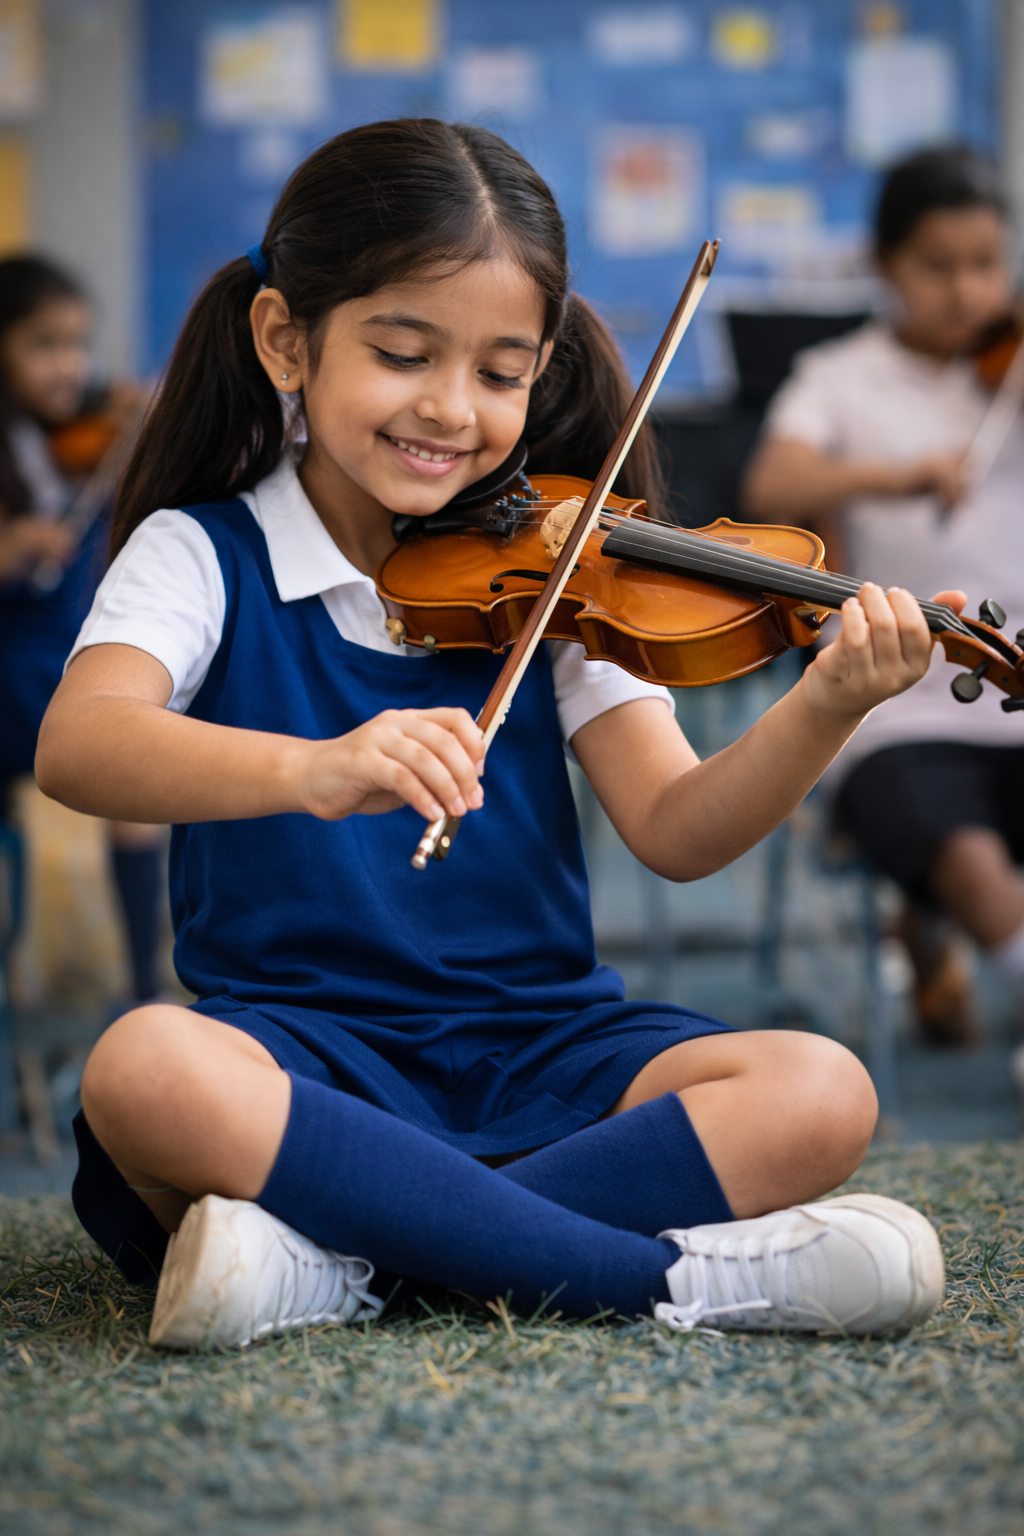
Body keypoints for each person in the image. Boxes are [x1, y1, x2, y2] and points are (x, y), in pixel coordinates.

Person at [37, 121, 945, 1350]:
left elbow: (677, 830)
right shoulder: (203, 553)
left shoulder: (560, 573)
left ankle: (333, 1264)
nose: (451, 410)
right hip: (305, 1056)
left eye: (500, 374)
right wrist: (315, 768)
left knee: (822, 1088)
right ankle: (667, 1281)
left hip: (541, 1049)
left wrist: (824, 705)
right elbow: (83, 744)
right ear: (284, 341)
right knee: (145, 1067)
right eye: (404, 354)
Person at [744, 145, 1024, 1052]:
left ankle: (928, 929)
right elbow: (773, 483)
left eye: (986, 265)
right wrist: (896, 475)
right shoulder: (839, 377)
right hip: (900, 702)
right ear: (885, 265)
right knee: (963, 847)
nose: (966, 291)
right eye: (936, 267)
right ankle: (954, 925)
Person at [0, 255, 164, 1009]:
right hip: (10, 671)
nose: (71, 366)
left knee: (132, 785)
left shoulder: (85, 431)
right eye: (44, 345)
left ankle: (140, 985)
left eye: (78, 344)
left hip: (59, 664)